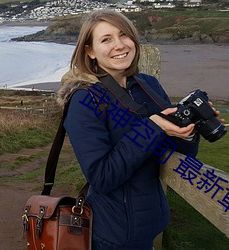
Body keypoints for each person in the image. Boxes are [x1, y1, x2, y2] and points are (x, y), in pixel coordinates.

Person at [57, 10, 219, 250]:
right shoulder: (84, 101)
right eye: (106, 39)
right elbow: (102, 177)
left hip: (151, 226)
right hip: (112, 236)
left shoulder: (147, 85)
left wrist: (191, 127)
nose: (119, 45)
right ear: (90, 51)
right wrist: (152, 126)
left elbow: (173, 153)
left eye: (124, 35)